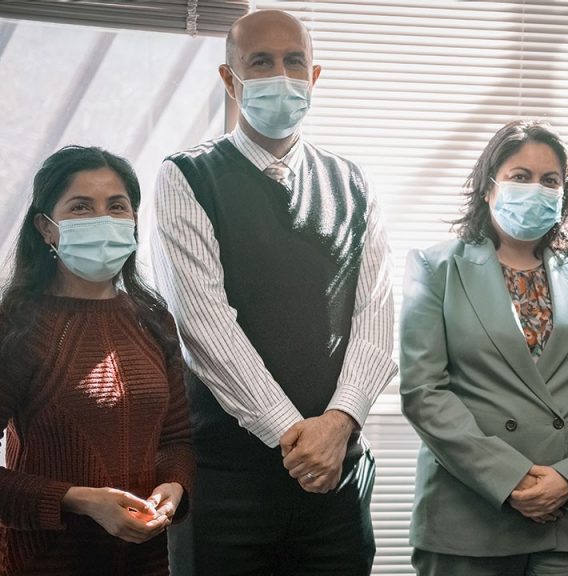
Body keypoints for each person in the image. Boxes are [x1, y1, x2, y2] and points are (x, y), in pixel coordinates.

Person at [147, 9, 396, 576]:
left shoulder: (354, 184)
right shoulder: (187, 177)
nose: (280, 76)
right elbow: (205, 328)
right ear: (229, 79)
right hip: (229, 481)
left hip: (337, 474)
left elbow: (376, 322)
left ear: (314, 76)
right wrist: (297, 438)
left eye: (294, 62)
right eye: (260, 62)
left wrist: (337, 427)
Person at [399, 119, 568, 575]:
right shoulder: (435, 267)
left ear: (564, 194)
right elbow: (424, 392)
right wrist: (511, 478)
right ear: (489, 188)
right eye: (520, 177)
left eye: (550, 181)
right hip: (468, 518)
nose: (535, 190)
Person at [0, 146, 194, 575]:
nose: (102, 221)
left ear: (134, 220)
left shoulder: (152, 318)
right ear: (45, 228)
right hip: (47, 562)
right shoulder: (15, 325)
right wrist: (80, 500)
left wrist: (173, 486)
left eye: (116, 207)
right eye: (81, 207)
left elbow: (176, 439)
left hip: (145, 561)